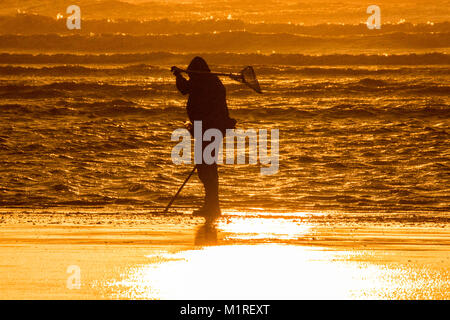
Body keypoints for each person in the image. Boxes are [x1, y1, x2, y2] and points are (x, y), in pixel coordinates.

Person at [171, 57, 236, 220]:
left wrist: (178, 76)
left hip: (209, 129)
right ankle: (212, 205)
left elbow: (184, 88)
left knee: (206, 167)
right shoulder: (212, 81)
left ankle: (212, 206)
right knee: (207, 166)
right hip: (212, 128)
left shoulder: (203, 82)